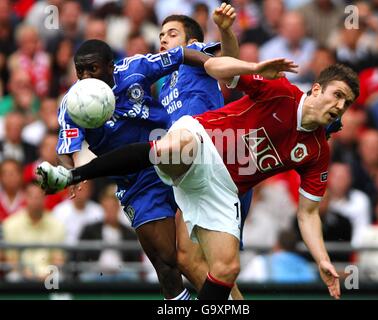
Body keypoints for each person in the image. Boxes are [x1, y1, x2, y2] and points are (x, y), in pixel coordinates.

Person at [37, 56, 359, 300]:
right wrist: (255, 64)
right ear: (317, 88)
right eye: (337, 95)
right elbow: (217, 67)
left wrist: (322, 259)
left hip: (223, 191)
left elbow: (308, 213)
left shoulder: (317, 152)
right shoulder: (281, 93)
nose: (340, 105)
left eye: (346, 103)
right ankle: (72, 175)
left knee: (227, 269)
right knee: (174, 149)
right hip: (204, 141)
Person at [52, 5, 238, 300]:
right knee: (168, 262)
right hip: (137, 184)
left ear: (111, 65)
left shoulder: (134, 68)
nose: (85, 76)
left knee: (199, 259)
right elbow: (66, 148)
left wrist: (210, 65)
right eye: (80, 71)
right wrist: (71, 173)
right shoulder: (72, 105)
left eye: (93, 69)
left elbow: (179, 55)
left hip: (174, 159)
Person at [158, 7, 252, 299]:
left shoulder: (196, 55)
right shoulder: (163, 85)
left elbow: (230, 60)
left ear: (191, 41)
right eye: (160, 35)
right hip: (192, 174)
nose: (163, 39)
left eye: (172, 34)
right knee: (194, 262)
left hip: (218, 161)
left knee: (204, 262)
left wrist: (225, 29)